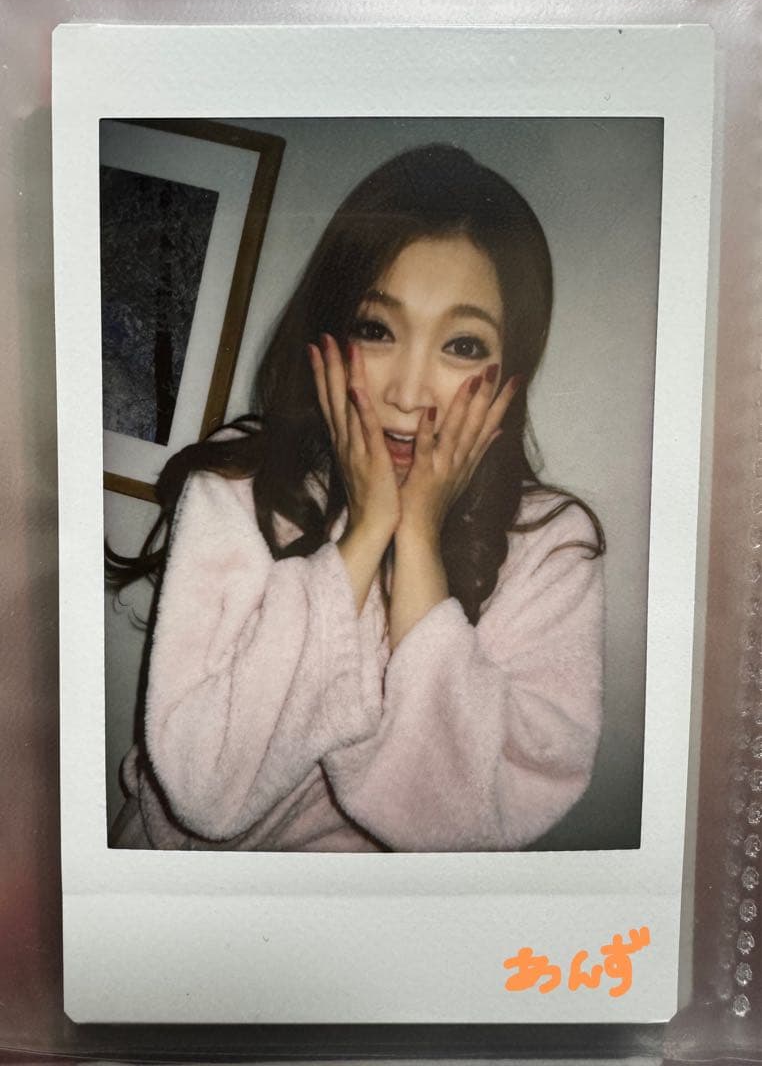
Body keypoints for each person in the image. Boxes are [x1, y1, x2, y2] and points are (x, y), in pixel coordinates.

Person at [108, 142, 605, 853]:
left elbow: (470, 826)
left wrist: (419, 543)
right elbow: (206, 788)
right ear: (331, 331)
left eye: (462, 345)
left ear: (511, 370)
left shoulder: (550, 548)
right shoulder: (237, 485)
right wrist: (365, 535)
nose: (408, 392)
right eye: (377, 330)